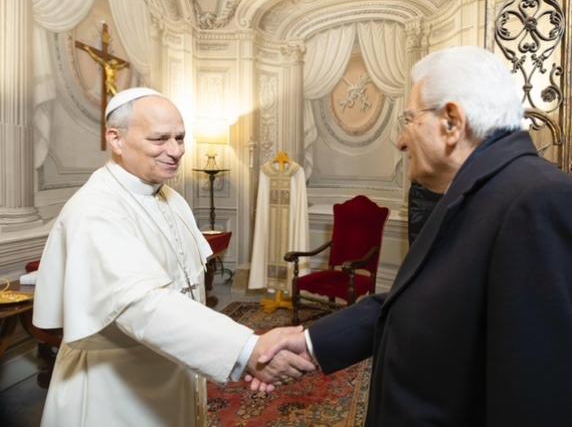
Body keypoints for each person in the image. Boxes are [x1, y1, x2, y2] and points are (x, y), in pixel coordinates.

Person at [254, 45, 572, 426]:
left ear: (452, 122)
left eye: (409, 119)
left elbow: (536, 397)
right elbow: (412, 301)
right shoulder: (475, 191)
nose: (401, 141)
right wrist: (310, 342)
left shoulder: (536, 200)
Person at [32, 87, 315, 427]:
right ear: (116, 139)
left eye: (180, 138)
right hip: (114, 391)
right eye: (160, 139)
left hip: (171, 368)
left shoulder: (171, 197)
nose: (176, 150)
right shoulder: (96, 209)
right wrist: (247, 350)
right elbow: (142, 303)